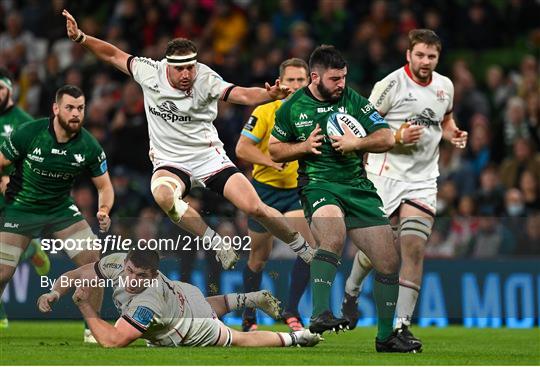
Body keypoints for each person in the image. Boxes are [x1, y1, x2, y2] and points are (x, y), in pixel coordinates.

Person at [62, 10, 313, 271]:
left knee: (255, 208)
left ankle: (303, 248)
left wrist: (267, 94)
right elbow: (114, 55)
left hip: (208, 158)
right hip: (171, 161)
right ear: (167, 65)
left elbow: (241, 94)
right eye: (180, 68)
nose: (186, 74)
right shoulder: (150, 72)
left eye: (190, 67)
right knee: (162, 195)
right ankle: (215, 242)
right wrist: (81, 37)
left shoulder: (206, 78)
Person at [268, 45, 421, 353]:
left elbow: (386, 137)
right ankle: (319, 313)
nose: (341, 84)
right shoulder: (292, 107)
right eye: (335, 79)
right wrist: (302, 147)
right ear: (315, 77)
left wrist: (357, 143)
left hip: (357, 188)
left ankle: (385, 337)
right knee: (333, 235)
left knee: (389, 262)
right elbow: (274, 149)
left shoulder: (353, 100)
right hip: (319, 184)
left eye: (344, 77)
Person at [341, 29, 468, 346]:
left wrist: (453, 133)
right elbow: (361, 125)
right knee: (376, 252)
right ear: (408, 55)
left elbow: (446, 119)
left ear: (438, 58)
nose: (426, 61)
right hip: (384, 176)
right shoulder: (390, 85)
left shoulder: (445, 86)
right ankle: (351, 294)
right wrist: (396, 138)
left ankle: (401, 326)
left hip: (422, 180)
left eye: (432, 56)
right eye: (421, 55)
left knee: (413, 247)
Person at [0, 84, 113, 342]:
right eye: (70, 108)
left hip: (60, 209)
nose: (76, 113)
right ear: (55, 109)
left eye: (81, 108)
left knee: (93, 261)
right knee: (2, 272)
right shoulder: (30, 132)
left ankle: (93, 329)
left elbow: (104, 186)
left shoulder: (89, 145)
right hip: (22, 208)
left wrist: (104, 208)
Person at [37, 248, 322, 348]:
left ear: (152, 276)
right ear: (124, 263)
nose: (132, 280)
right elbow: (80, 272)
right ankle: (248, 298)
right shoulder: (116, 263)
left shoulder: (147, 301)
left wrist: (86, 307)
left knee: (237, 338)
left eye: (140, 276)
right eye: (129, 272)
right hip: (185, 293)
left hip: (191, 328)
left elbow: (113, 341)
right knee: (210, 305)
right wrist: (54, 291)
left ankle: (297, 339)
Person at [236, 58, 314, 332]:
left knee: (307, 251)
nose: (295, 85)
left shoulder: (316, 112)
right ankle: (249, 315)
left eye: (300, 80)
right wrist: (270, 162)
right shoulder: (265, 111)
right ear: (281, 83)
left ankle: (291, 312)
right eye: (290, 80)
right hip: (263, 193)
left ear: (310, 82)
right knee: (259, 258)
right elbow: (242, 149)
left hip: (296, 192)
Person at [0, 67, 50, 328]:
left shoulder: (23, 121)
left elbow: (35, 159)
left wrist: (12, 180)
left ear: (10, 89)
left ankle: (30, 248)